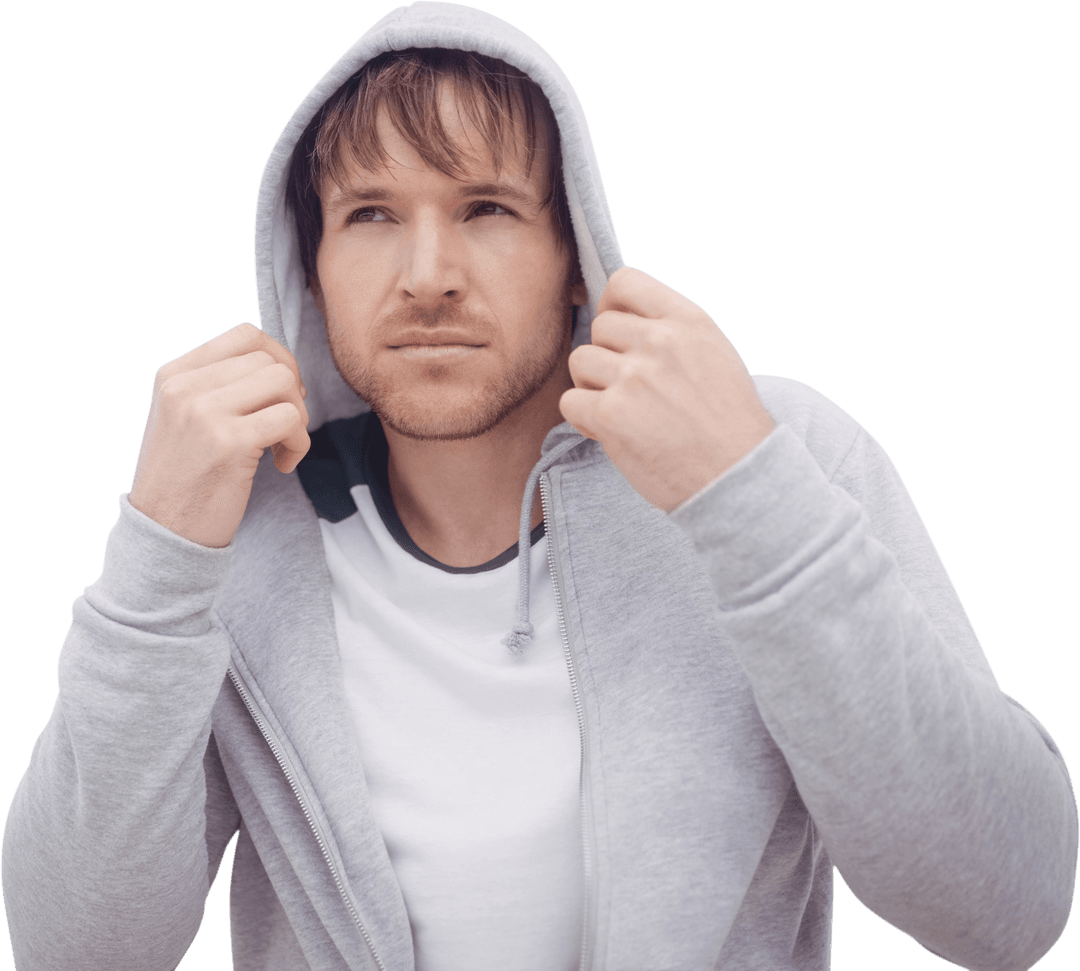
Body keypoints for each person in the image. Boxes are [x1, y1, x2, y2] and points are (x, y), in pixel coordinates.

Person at [3, 2, 1076, 969]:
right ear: (309, 260)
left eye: (487, 208)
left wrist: (745, 496)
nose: (427, 272)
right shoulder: (236, 530)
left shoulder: (774, 450)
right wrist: (157, 564)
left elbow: (1009, 907)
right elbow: (76, 950)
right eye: (370, 214)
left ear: (576, 250)